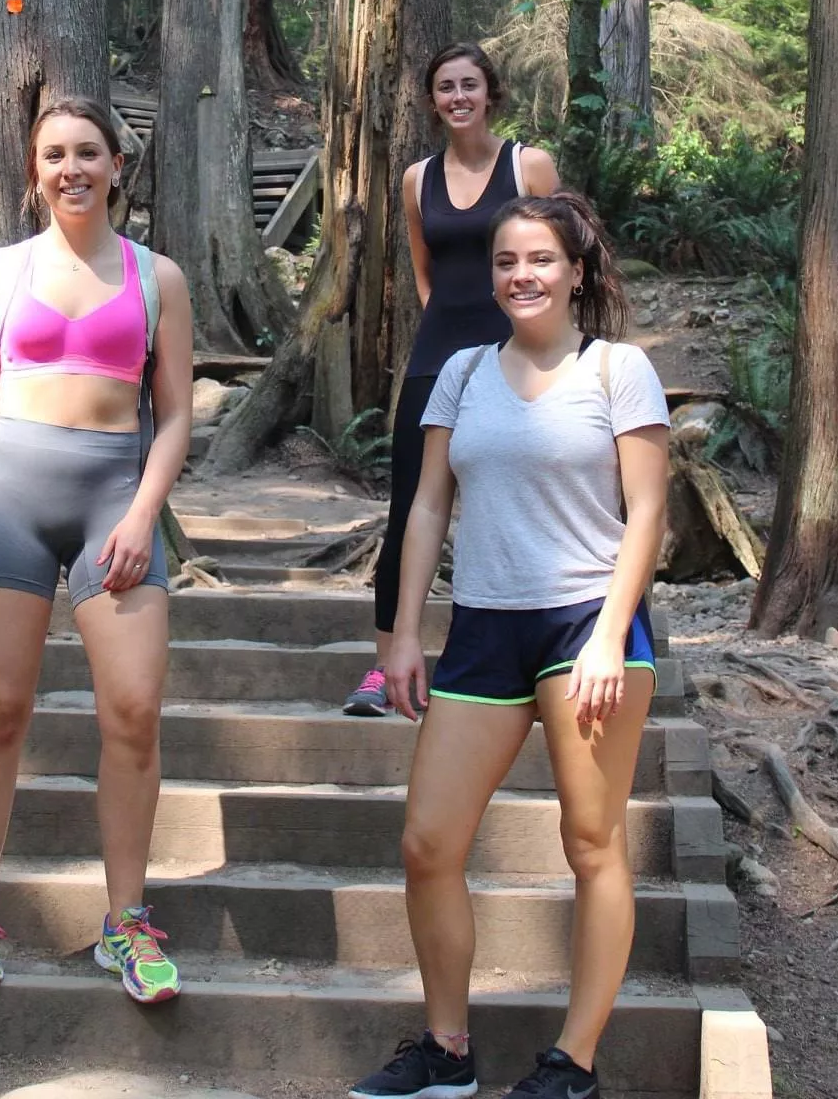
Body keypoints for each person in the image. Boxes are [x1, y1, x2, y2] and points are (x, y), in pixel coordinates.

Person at [350, 192, 670, 1099]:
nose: (520, 276)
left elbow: (647, 509)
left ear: (576, 272)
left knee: (592, 841)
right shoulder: (461, 371)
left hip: (586, 625)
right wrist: (406, 634)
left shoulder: (618, 369)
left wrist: (612, 633)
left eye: (539, 260)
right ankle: (446, 1050)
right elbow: (427, 507)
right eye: (504, 262)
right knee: (428, 842)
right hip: (484, 628)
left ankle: (573, 1062)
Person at [0, 96, 193, 1004]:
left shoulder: (157, 277)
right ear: (33, 171)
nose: (71, 168)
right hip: (8, 502)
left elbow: (176, 415)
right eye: (54, 155)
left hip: (114, 503)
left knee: (133, 712)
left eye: (88, 152)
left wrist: (141, 515)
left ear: (118, 165)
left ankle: (125, 925)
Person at [343, 43, 558, 717]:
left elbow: (555, 258)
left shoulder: (529, 164)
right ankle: (385, 668)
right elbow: (425, 270)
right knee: (410, 505)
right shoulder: (416, 179)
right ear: (432, 99)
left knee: (521, 499)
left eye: (469, 84)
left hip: (514, 356)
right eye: (445, 87)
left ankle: (542, 655)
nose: (458, 96)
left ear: (490, 92)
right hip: (439, 358)